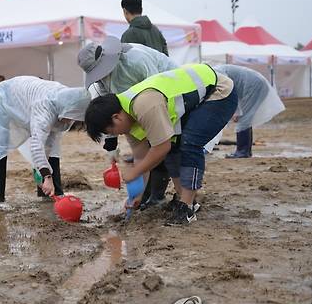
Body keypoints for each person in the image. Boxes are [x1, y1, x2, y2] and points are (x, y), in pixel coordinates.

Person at [84, 64, 237, 226]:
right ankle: (184, 199)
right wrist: (138, 195)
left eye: (112, 130)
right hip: (194, 100)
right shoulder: (128, 119)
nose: (116, 134)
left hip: (219, 91)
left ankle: (186, 208)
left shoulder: (144, 105)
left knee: (190, 143)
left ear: (116, 118)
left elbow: (161, 148)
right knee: (174, 148)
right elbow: (142, 157)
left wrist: (134, 172)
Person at [78, 36, 177, 209]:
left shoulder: (136, 60)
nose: (101, 76)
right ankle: (142, 195)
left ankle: (159, 196)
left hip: (168, 98)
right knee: (141, 152)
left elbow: (159, 90)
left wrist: (153, 126)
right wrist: (110, 137)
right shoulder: (101, 81)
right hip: (129, 111)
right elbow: (105, 103)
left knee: (164, 146)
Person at [0, 76, 91, 213]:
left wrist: (40, 171)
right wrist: (46, 176)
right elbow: (36, 145)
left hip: (26, 100)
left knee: (53, 148)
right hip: (3, 99)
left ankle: (50, 193)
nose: (70, 122)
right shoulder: (45, 108)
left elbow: (49, 143)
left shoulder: (70, 103)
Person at [214, 65, 285, 158]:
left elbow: (229, 91)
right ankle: (245, 151)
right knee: (245, 118)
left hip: (253, 85)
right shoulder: (217, 71)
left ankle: (242, 152)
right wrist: (236, 111)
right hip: (254, 83)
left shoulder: (217, 74)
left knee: (245, 118)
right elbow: (234, 91)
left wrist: (235, 112)